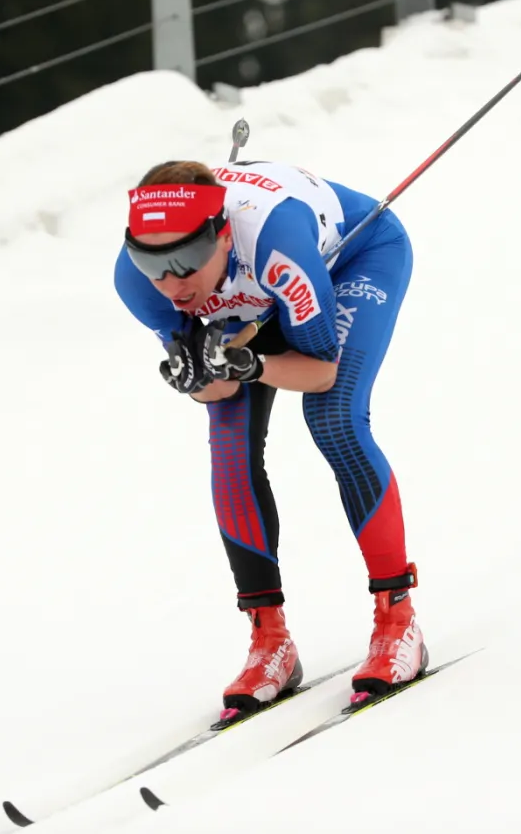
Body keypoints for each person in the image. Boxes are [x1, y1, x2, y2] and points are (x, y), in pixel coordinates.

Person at [113, 156, 428, 719]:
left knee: (333, 418)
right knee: (229, 443)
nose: (171, 282)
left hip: (349, 261)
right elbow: (216, 395)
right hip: (248, 293)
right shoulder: (144, 285)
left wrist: (249, 364)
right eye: (151, 262)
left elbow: (320, 371)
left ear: (221, 234)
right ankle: (269, 640)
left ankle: (397, 618)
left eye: (186, 259)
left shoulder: (276, 247)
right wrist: (201, 376)